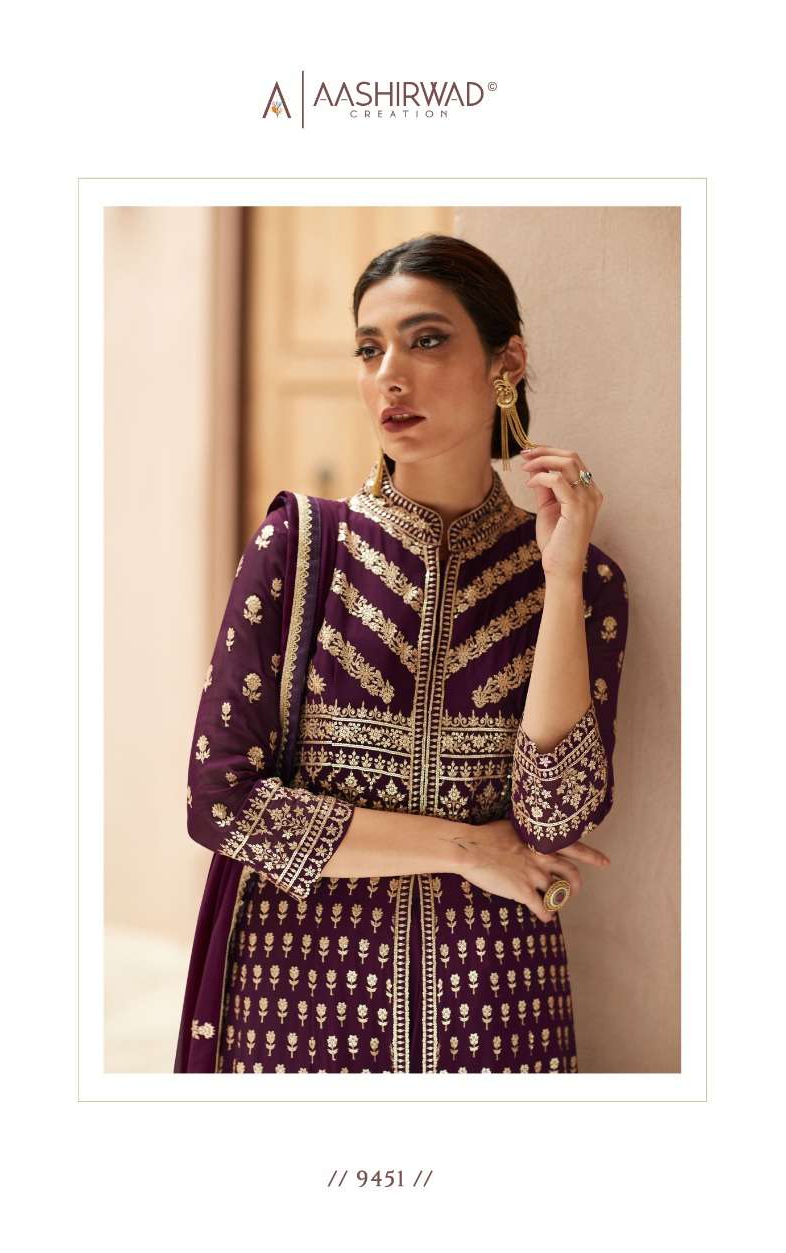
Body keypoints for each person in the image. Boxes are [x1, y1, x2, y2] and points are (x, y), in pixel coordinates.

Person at [174, 233, 629, 1074]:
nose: (389, 374)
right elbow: (222, 805)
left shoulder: (581, 580)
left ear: (506, 362)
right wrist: (467, 848)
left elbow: (553, 818)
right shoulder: (300, 548)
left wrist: (560, 581)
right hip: (296, 1004)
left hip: (495, 1005)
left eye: (425, 340)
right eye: (368, 348)